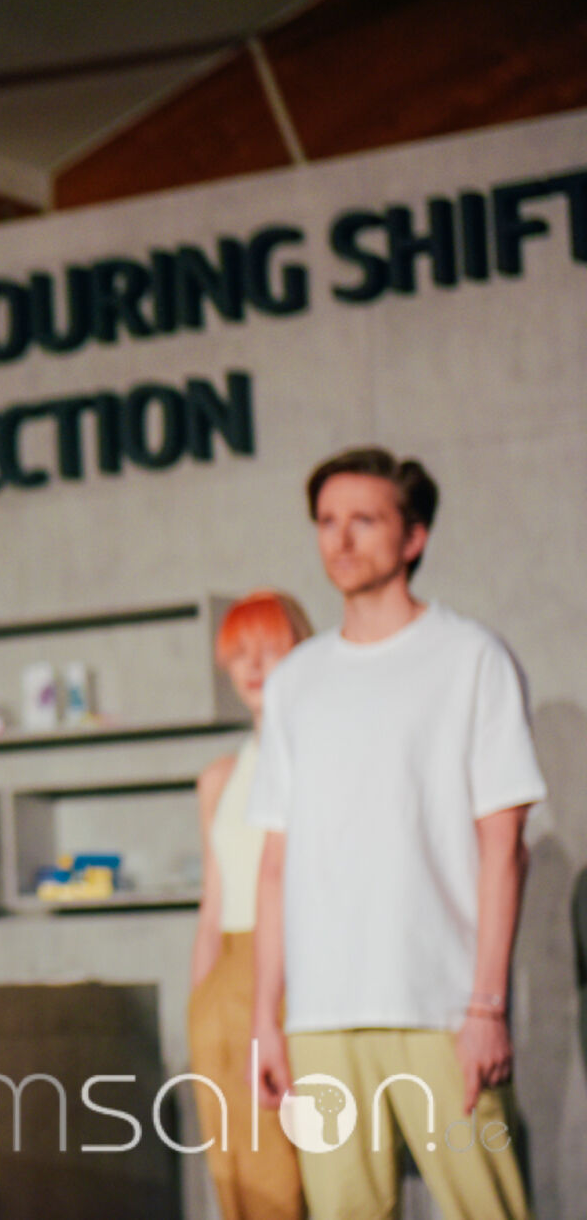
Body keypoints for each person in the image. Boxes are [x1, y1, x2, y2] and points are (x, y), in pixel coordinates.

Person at [251, 448, 542, 1220]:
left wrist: (486, 1008)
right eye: (327, 521)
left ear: (413, 537)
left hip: (442, 1008)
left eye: (364, 521)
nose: (341, 539)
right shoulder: (295, 683)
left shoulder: (471, 658)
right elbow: (275, 865)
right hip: (320, 1017)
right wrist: (265, 1021)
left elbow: (503, 847)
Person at [187, 591, 310, 1220]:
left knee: (291, 1171)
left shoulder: (320, 757)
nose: (253, 666)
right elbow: (213, 904)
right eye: (239, 653)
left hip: (294, 970)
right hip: (223, 984)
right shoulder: (220, 777)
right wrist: (199, 1001)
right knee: (232, 1170)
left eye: (269, 649)